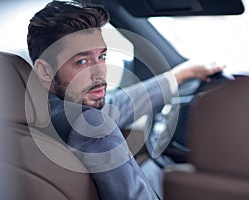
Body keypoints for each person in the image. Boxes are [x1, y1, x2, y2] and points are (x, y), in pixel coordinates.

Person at [27, 1, 225, 199]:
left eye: (102, 57)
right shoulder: (92, 126)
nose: (100, 73)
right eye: (82, 61)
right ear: (44, 70)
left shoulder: (36, 111)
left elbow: (117, 106)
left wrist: (181, 74)